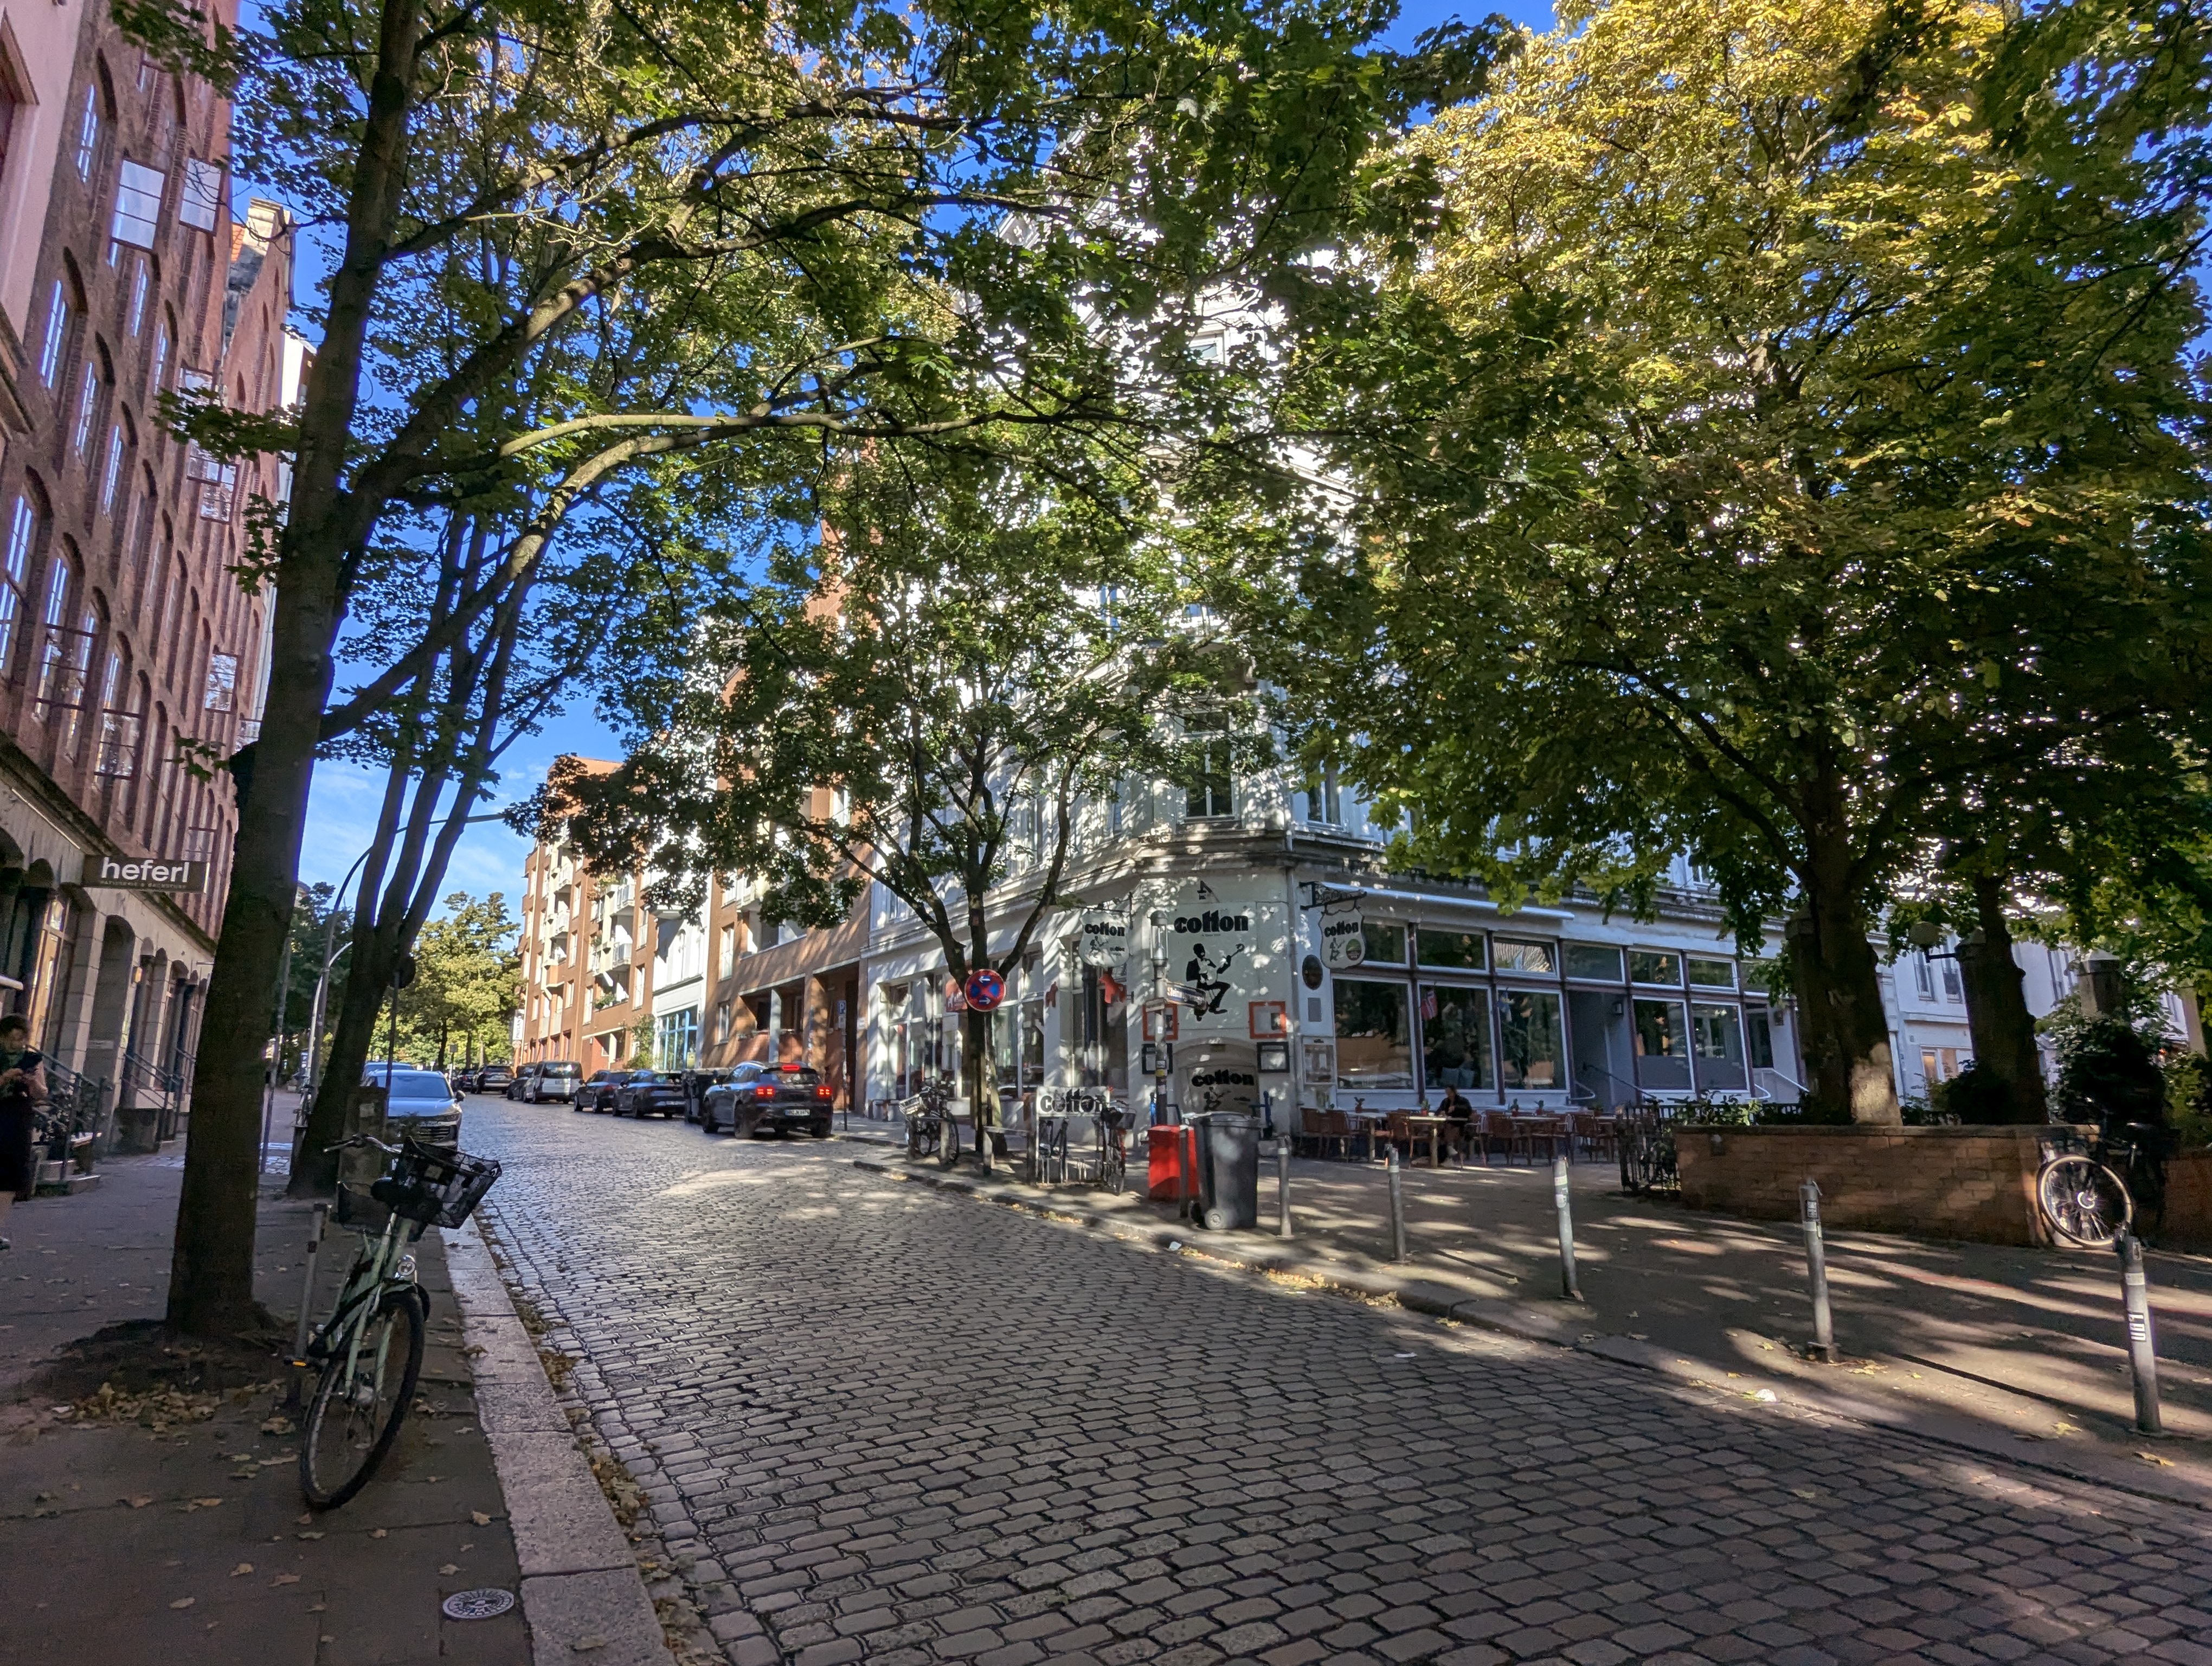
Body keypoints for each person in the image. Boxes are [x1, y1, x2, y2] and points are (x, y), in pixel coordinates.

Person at [0, 1013, 52, 1250]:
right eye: (11, 1039)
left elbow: (42, 1092)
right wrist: (5, 1077)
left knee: (10, 1172)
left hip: (18, 1116)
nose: (16, 1045)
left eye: (21, 1040)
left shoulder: (32, 1059)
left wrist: (32, 1083)